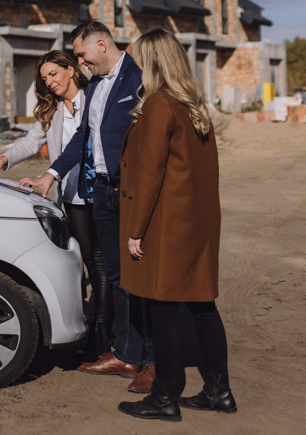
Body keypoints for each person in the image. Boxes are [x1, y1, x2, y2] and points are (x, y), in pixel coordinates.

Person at [20, 20, 155, 392]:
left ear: (100, 43)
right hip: (103, 196)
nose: (79, 62)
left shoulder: (139, 79)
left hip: (131, 192)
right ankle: (126, 353)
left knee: (142, 275)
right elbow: (82, 137)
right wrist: (50, 175)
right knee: (116, 277)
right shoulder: (95, 86)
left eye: (81, 54)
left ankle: (154, 360)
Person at [116, 29, 236, 421]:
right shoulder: (194, 104)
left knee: (164, 309)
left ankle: (165, 397)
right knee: (202, 306)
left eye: (138, 58)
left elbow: (149, 173)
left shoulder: (159, 104)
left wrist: (136, 229)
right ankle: (219, 391)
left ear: (152, 62)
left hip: (167, 223)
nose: (134, 65)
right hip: (197, 222)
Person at [0, 50, 110, 356]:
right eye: (45, 78)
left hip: (101, 193)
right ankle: (93, 331)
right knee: (85, 263)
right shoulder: (52, 109)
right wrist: (4, 158)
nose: (50, 82)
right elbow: (30, 142)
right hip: (72, 198)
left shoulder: (96, 98)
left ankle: (103, 335)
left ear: (71, 70)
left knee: (103, 266)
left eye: (54, 74)